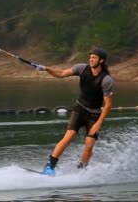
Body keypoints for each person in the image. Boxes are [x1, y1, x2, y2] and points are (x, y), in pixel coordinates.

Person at [33, 48, 114, 176]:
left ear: (101, 60)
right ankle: (50, 166)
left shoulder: (106, 80)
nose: (91, 59)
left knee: (89, 145)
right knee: (68, 137)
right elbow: (61, 73)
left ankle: (82, 170)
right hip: (79, 109)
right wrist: (47, 69)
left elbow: (108, 105)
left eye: (94, 57)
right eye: (90, 57)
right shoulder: (81, 68)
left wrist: (98, 123)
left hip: (94, 115)